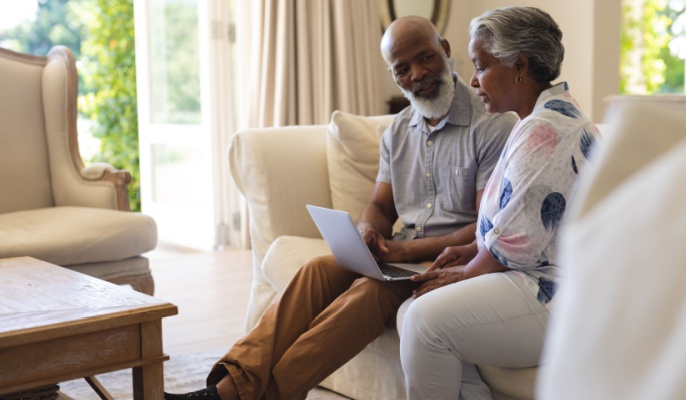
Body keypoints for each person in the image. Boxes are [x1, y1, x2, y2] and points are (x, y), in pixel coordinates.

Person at [165, 15, 517, 400]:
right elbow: (380, 207)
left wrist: (404, 250)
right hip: (399, 258)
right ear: (394, 74)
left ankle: (260, 395)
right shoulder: (398, 132)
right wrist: (367, 229)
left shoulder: (492, 124)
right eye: (402, 69)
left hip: (449, 265)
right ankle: (224, 389)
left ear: (445, 51)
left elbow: (486, 228)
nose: (418, 73)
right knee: (316, 269)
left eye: (426, 58)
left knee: (371, 292)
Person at [398, 6, 601, 400]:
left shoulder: (547, 130)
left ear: (520, 65)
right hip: (534, 277)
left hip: (560, 293)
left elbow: (516, 243)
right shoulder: (538, 119)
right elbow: (515, 219)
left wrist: (467, 270)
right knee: (413, 311)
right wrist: (472, 249)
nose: (472, 80)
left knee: (424, 319)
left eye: (481, 66)